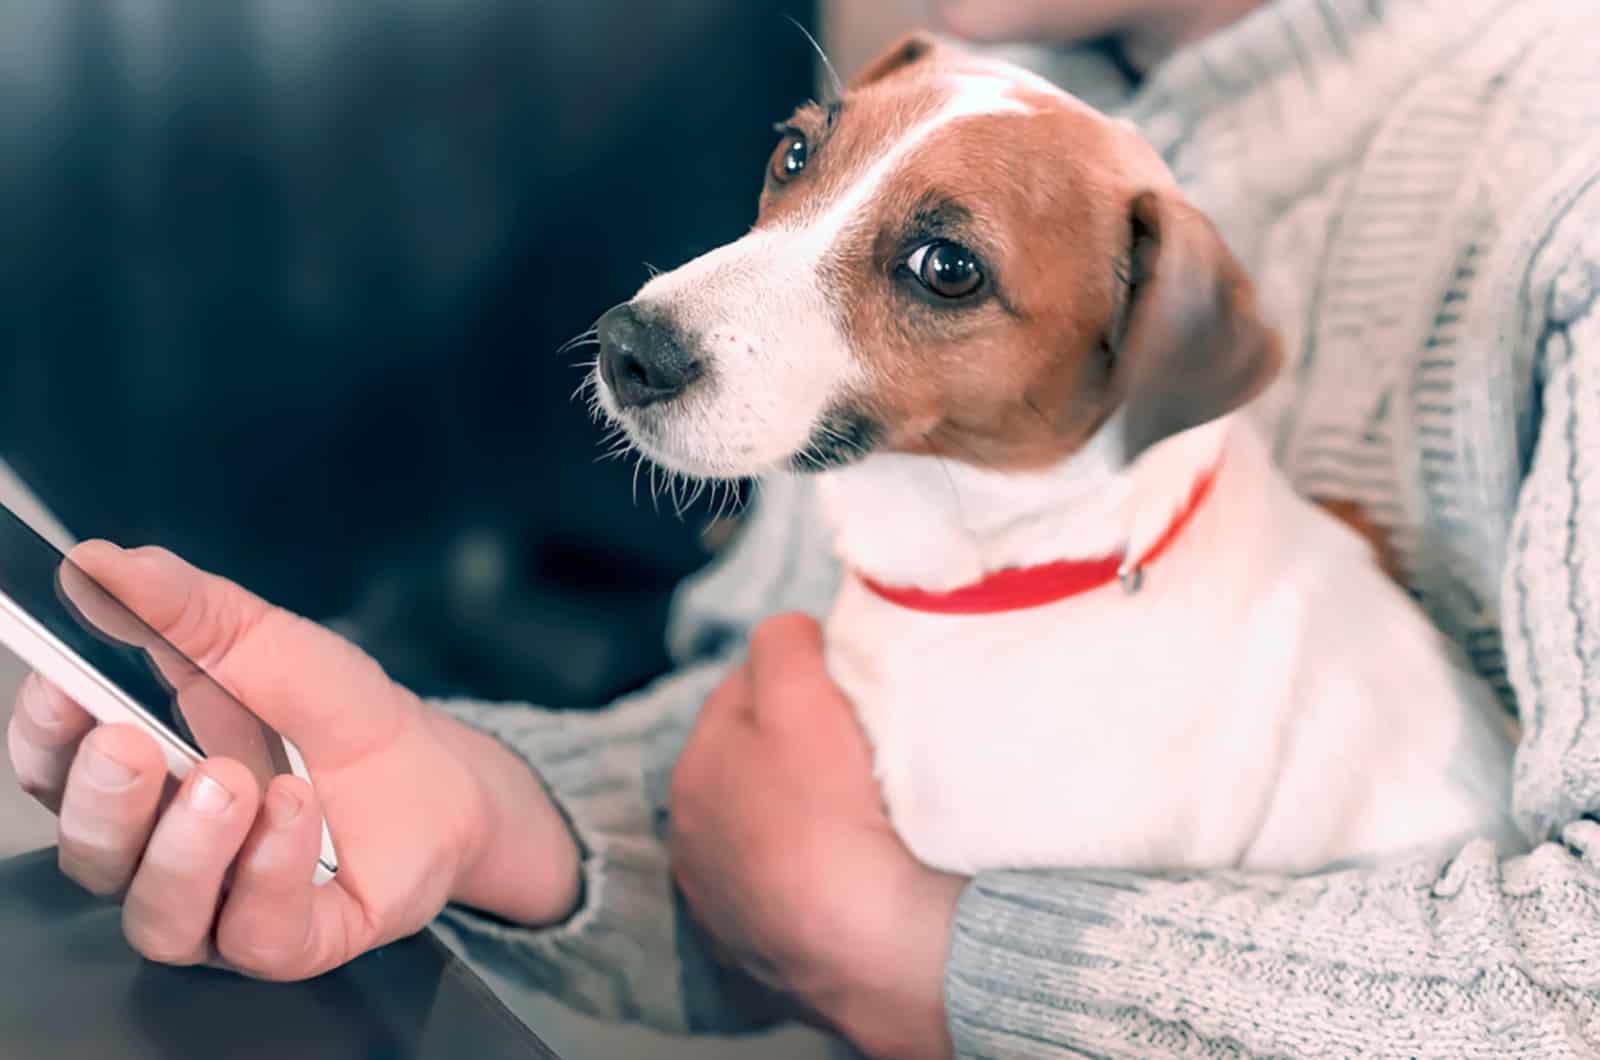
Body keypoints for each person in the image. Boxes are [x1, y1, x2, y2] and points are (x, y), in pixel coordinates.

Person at [9, 0, 1600, 1055]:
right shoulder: (1004, 78)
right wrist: (484, 811)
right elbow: (779, 761)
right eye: (796, 157)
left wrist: (910, 948)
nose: (689, 307)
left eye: (939, 274)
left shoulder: (1555, 162)